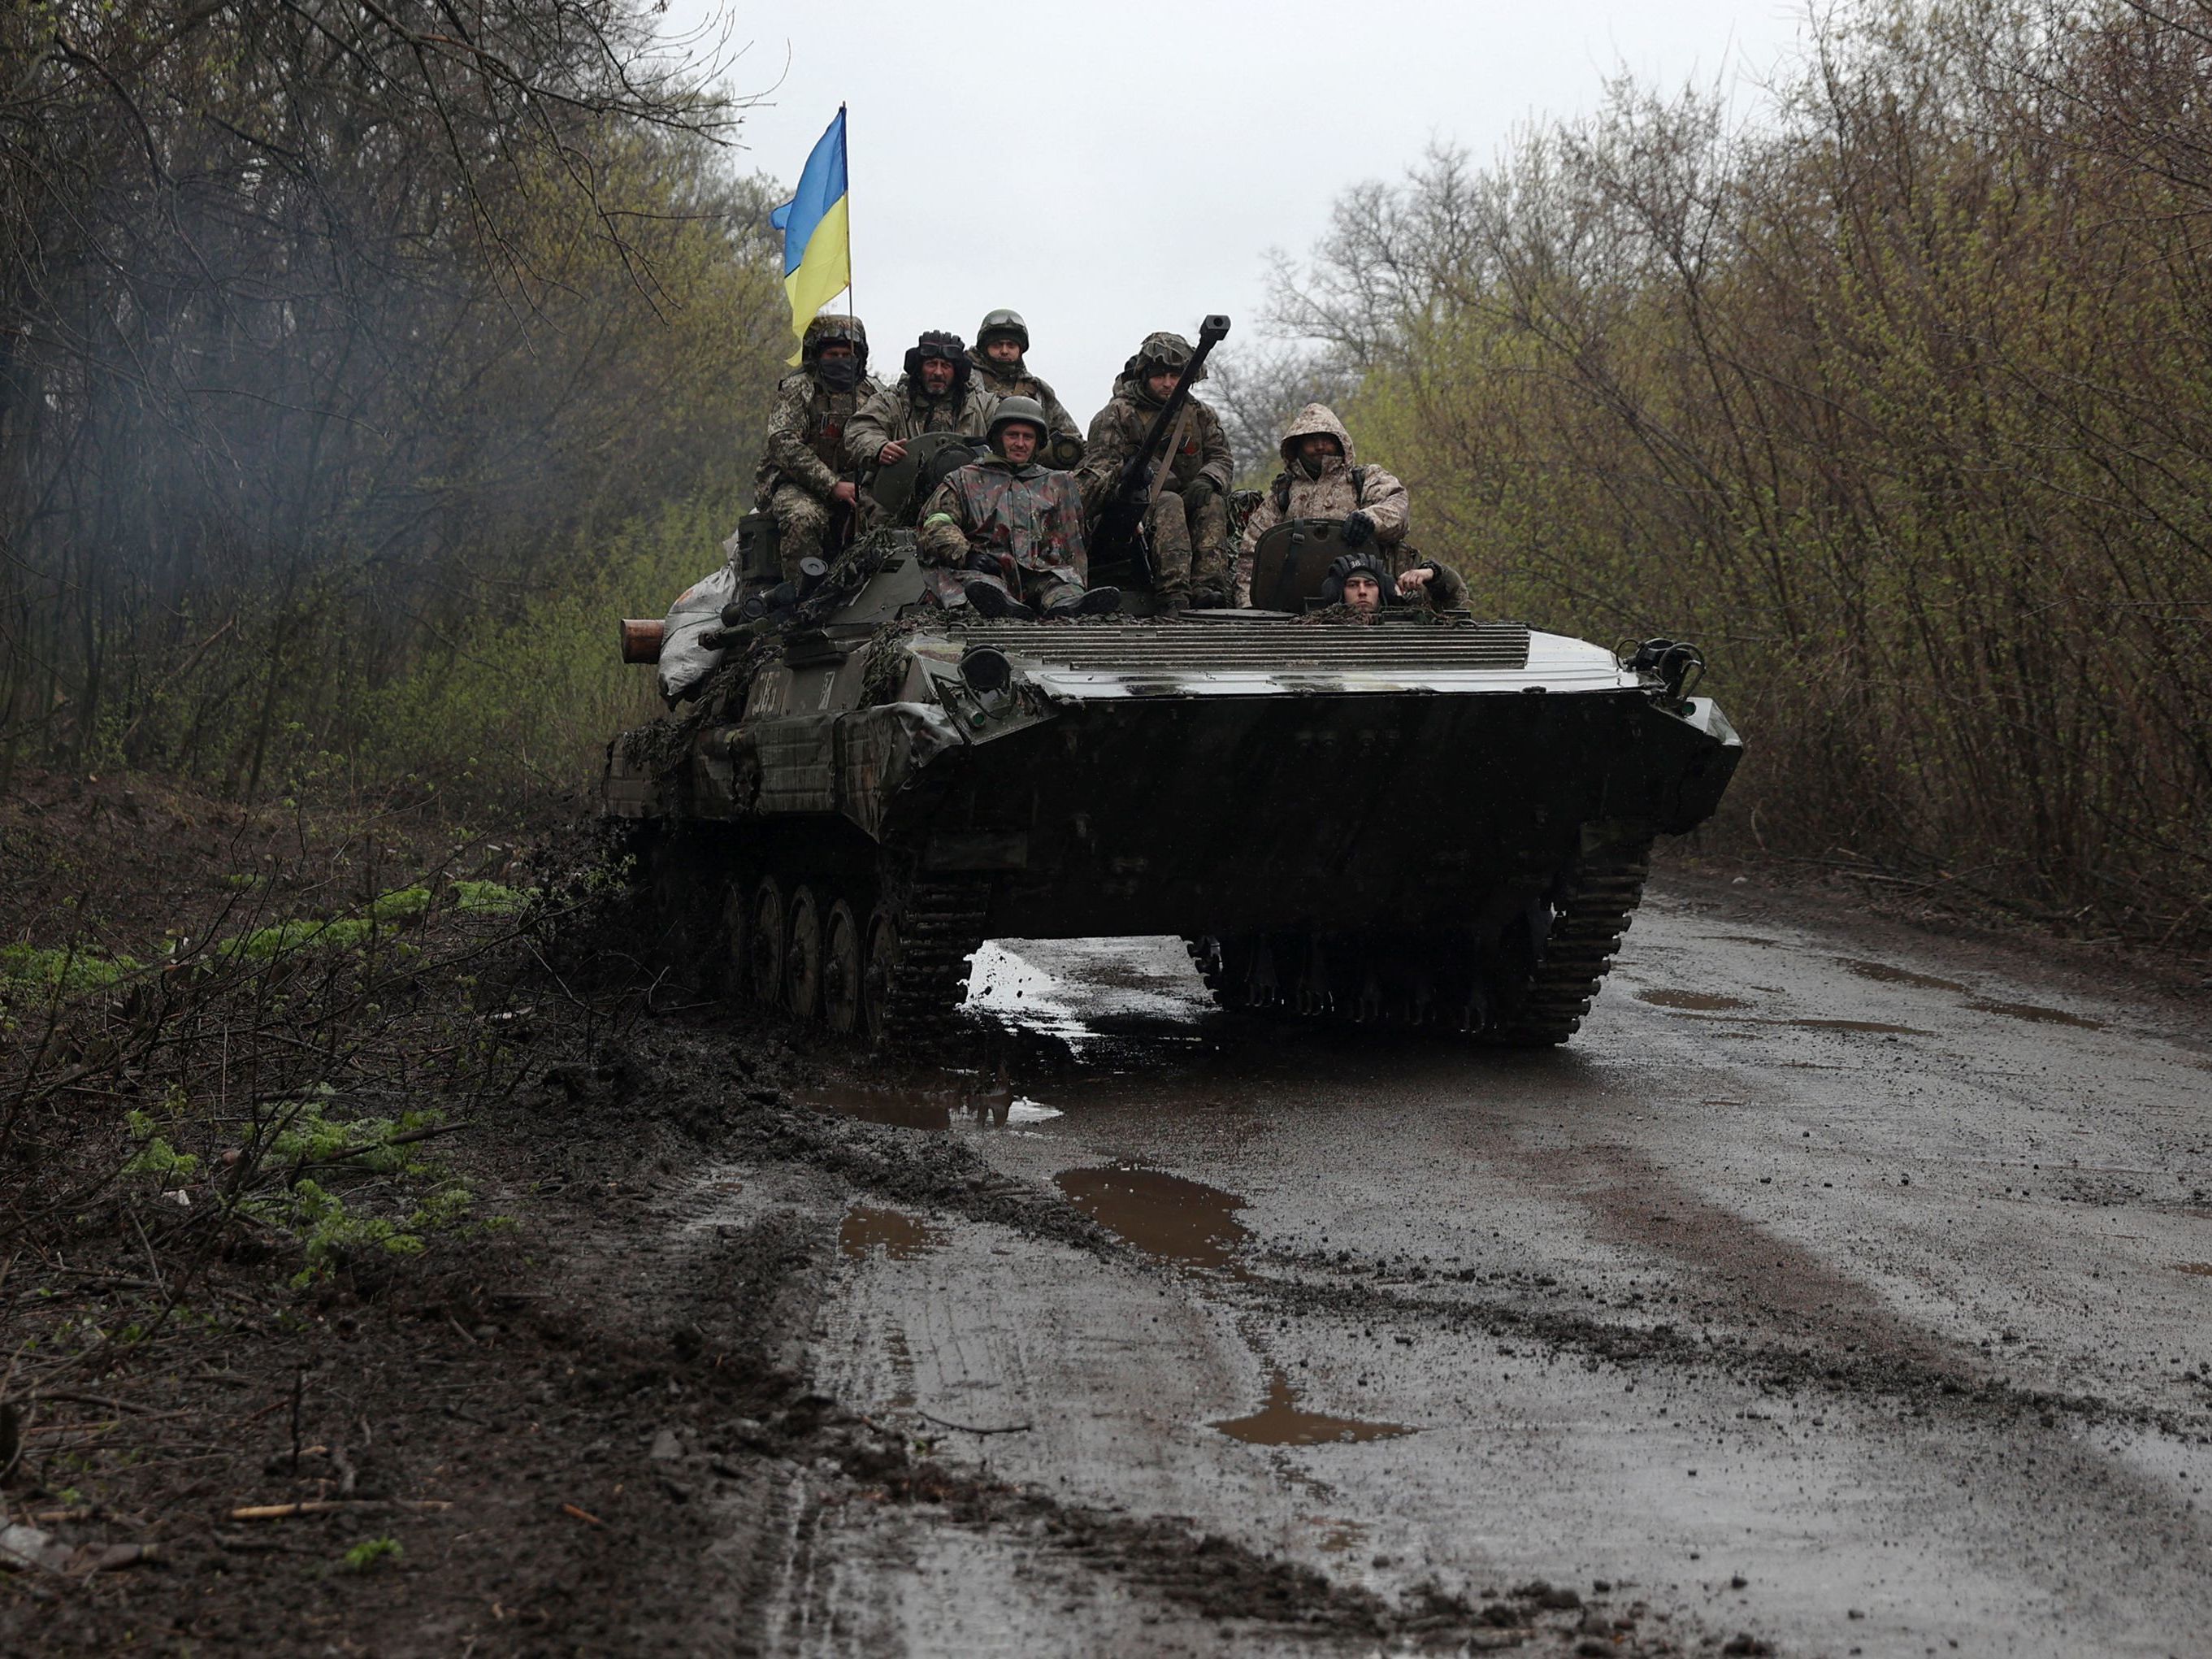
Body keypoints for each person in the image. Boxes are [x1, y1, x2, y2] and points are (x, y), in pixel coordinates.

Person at [915, 397, 1120, 617]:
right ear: (997, 438)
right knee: (980, 590)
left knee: (1064, 589)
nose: (1020, 444)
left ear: (1038, 443)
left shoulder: (1058, 484)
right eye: (1013, 435)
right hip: (987, 571)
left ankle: (1068, 607)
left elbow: (1094, 498)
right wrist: (967, 555)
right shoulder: (964, 480)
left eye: (1028, 437)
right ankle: (1004, 609)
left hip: (1043, 574)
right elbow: (936, 522)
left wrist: (1123, 477)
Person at [1077, 332, 1234, 613]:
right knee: (1168, 500)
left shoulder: (1199, 414)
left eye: (1176, 376)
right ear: (1144, 375)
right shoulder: (1117, 414)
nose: (1168, 384)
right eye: (1160, 376)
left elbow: (1221, 457)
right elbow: (1097, 471)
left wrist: (1208, 477)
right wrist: (1128, 474)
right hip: (1131, 508)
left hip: (1189, 496)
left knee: (1212, 502)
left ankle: (1209, 588)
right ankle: (1174, 594)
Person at [1234, 403, 1410, 606]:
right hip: (1294, 605)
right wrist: (1249, 606)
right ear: (1297, 446)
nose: (1319, 446)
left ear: (1339, 441)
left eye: (1326, 439)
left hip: (1360, 601)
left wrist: (1370, 519)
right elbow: (1253, 550)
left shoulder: (1363, 479)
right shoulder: (1283, 492)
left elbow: (1398, 506)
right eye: (1311, 440)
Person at [750, 314, 881, 580]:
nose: (841, 360)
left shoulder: (875, 393)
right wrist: (832, 485)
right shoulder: (798, 389)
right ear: (817, 356)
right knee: (802, 517)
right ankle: (802, 597)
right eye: (833, 354)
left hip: (860, 487)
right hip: (800, 486)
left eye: (848, 354)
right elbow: (783, 443)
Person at [844, 331, 1000, 469]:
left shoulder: (983, 405)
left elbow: (1010, 434)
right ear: (919, 368)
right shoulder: (892, 401)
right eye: (931, 364)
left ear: (957, 371)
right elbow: (860, 429)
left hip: (969, 494)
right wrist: (879, 448)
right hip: (903, 491)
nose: (938, 372)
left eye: (945, 366)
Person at [967, 310, 1080, 443]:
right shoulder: (967, 381)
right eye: (997, 345)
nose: (1004, 351)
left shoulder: (1037, 391)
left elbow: (1072, 438)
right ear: (985, 347)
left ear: (1020, 349)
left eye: (1011, 345)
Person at [1317, 549, 1467, 613]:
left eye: (1370, 585)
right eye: (1353, 585)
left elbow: (1454, 594)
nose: (1362, 592)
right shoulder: (1318, 625)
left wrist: (1432, 572)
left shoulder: (1406, 614)